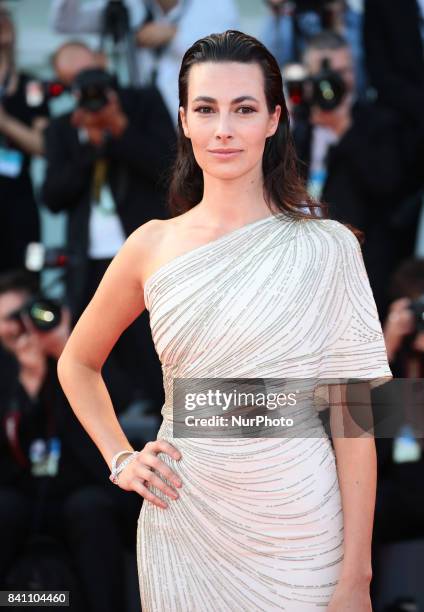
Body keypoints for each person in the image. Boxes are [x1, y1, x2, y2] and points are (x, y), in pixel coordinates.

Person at [56, 30, 393, 611]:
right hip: (183, 519)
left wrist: (356, 575)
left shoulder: (331, 246)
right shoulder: (150, 245)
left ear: (273, 119)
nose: (224, 129)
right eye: (207, 110)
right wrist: (121, 458)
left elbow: (360, 417)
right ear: (184, 120)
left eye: (244, 109)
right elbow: (77, 362)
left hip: (305, 527)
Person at [42, 41, 176, 412]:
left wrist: (119, 130)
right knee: (99, 353)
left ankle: (168, 423)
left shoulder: (143, 103)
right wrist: (90, 144)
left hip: (147, 256)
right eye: (77, 84)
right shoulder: (64, 128)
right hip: (89, 261)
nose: (90, 90)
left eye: (93, 77)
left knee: (156, 348)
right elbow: (53, 196)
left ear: (104, 65)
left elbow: (170, 170)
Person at [0, 269, 142, 612]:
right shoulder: (4, 370)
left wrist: (68, 352)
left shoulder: (79, 355)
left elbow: (124, 399)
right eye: (8, 319)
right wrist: (28, 386)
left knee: (91, 508)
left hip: (82, 486)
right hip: (20, 490)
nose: (22, 328)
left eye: (26, 315)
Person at [292, 30, 409, 322]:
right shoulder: (297, 126)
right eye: (324, 72)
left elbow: (387, 184)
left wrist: (344, 129)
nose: (333, 81)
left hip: (363, 266)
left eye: (342, 72)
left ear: (354, 74)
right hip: (306, 264)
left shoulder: (379, 122)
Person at [49, 0, 240, 121]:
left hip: (197, 120)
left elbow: (226, 54)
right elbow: (64, 22)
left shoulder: (216, 5)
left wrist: (175, 35)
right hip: (144, 122)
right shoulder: (133, 6)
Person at [0, 4, 49, 274]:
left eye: (7, 17)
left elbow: (43, 145)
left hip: (18, 203)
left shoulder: (32, 86)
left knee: (23, 281)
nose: (4, 22)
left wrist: (5, 123)